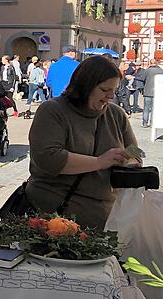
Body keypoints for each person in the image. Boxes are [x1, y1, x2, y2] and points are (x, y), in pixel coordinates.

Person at [27, 56, 141, 229]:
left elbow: (135, 152)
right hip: (53, 218)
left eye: (114, 89)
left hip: (106, 219)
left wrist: (131, 161)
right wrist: (99, 162)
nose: (111, 96)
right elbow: (48, 158)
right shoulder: (52, 110)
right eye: (104, 90)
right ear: (85, 86)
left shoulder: (116, 114)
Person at [136, 58, 163, 128]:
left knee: (146, 108)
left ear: (150, 63)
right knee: (154, 109)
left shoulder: (147, 70)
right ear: (156, 63)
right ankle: (152, 123)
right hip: (157, 92)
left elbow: (142, 78)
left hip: (147, 92)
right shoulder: (161, 71)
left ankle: (145, 123)